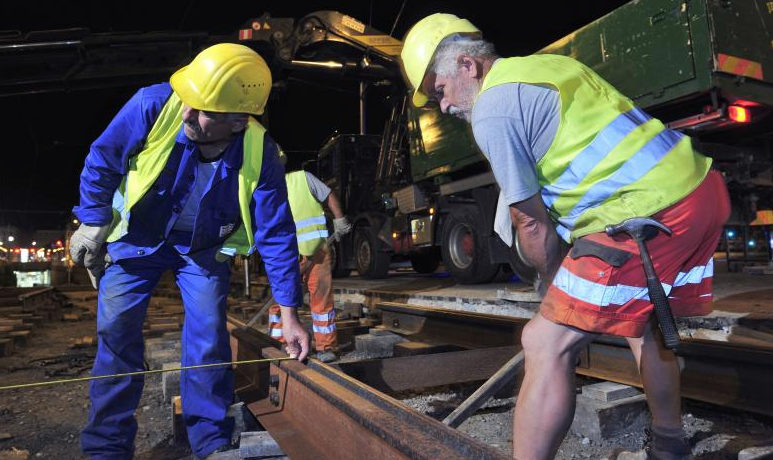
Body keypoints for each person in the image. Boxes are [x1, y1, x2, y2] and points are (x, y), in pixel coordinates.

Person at [400, 14, 730, 460]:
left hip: (646, 211)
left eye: (439, 90)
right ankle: (669, 444)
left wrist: (551, 279)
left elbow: (530, 223)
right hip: (698, 190)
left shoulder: (492, 109)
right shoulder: (549, 66)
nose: (442, 106)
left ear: (467, 65)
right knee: (642, 323)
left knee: (544, 341)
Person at [69, 43, 308, 460]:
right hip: (137, 239)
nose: (188, 115)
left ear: (238, 121)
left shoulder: (262, 152)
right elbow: (103, 158)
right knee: (116, 334)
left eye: (205, 111)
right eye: (190, 101)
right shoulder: (153, 104)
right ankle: (107, 448)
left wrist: (289, 314)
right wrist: (92, 222)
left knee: (208, 336)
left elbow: (276, 233)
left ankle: (209, 440)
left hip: (202, 249)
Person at [267, 169, 352, 363]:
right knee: (281, 301)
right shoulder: (263, 186)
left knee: (321, 300)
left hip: (316, 252)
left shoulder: (302, 178)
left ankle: (326, 347)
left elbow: (328, 194)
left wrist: (339, 218)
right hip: (285, 257)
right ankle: (281, 343)